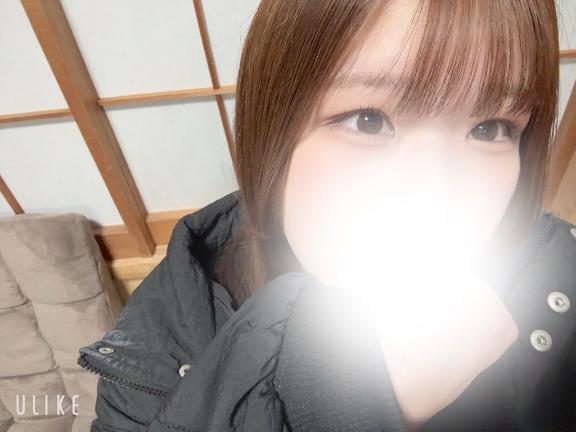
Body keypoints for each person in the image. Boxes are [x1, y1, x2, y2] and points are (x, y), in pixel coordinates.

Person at [78, 1, 576, 431]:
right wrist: (336, 409)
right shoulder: (164, 338)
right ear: (273, 129)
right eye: (369, 120)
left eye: (490, 128)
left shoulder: (560, 278)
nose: (439, 191)